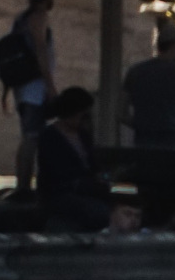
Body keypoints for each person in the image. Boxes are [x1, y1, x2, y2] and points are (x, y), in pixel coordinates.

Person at [122, 28, 175, 225]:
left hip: (143, 142)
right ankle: (165, 228)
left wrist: (142, 124)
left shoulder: (135, 71)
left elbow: (120, 114)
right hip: (173, 143)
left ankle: (144, 224)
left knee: (146, 190)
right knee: (171, 192)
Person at [1, 0, 58, 199]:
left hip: (24, 88)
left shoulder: (21, 19)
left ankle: (23, 184)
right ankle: (24, 185)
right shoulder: (38, 18)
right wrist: (51, 87)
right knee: (32, 136)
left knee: (31, 135)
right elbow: (41, 52)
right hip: (34, 88)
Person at [37, 86, 118, 232]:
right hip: (61, 192)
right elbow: (56, 172)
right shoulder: (50, 137)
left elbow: (93, 164)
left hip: (87, 189)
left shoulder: (83, 136)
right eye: (83, 115)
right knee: (98, 213)